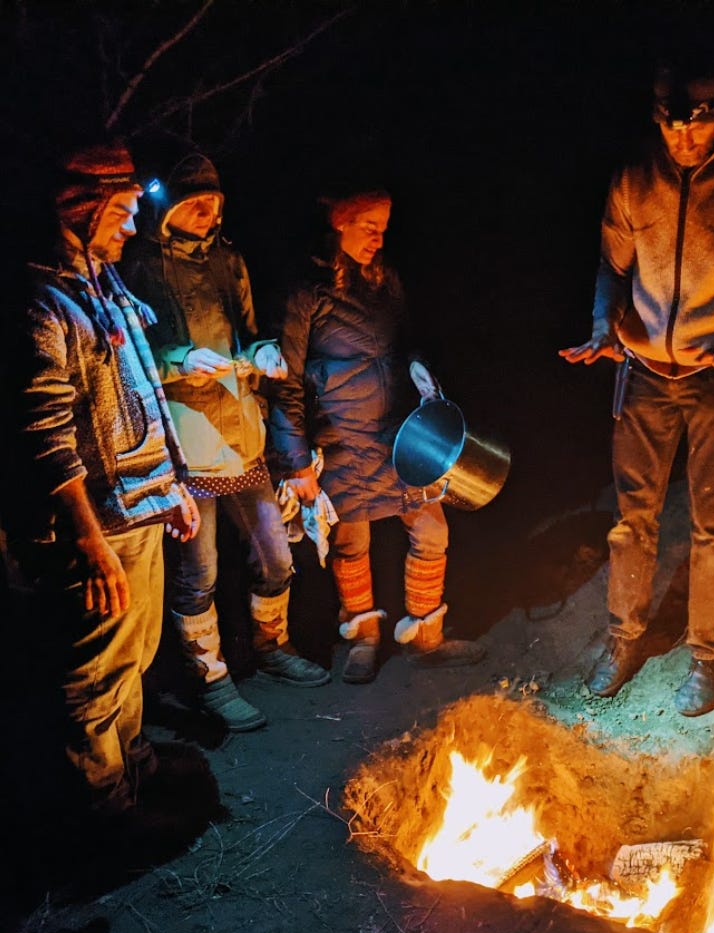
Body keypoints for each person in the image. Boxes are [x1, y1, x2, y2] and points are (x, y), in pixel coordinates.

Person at [560, 57, 714, 716]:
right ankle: (623, 638)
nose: (682, 138)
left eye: (694, 126)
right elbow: (612, 266)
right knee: (631, 519)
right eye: (670, 126)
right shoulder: (635, 178)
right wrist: (602, 326)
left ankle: (709, 653)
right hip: (642, 373)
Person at [2, 139, 201, 824]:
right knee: (93, 671)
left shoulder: (102, 286)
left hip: (135, 508)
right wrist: (87, 540)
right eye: (120, 213)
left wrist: (171, 485)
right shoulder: (42, 303)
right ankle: (103, 810)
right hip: (93, 527)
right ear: (81, 211)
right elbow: (45, 434)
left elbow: (140, 394)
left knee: (134, 654)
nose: (131, 228)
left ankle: (134, 764)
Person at [121, 152, 329, 733]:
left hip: (241, 435)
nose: (207, 213)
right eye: (195, 203)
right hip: (188, 446)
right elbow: (133, 358)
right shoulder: (142, 267)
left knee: (276, 555)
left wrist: (263, 353)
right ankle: (210, 677)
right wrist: (181, 359)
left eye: (213, 202)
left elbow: (247, 330)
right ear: (169, 210)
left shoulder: (228, 260)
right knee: (201, 571)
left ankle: (272, 645)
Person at [268, 187, 485, 684]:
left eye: (384, 229)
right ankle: (362, 636)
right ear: (340, 223)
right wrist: (295, 460)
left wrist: (421, 371)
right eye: (369, 227)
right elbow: (286, 382)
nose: (378, 239)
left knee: (431, 531)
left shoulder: (385, 281)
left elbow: (408, 343)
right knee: (351, 543)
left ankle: (427, 637)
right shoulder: (308, 292)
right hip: (341, 438)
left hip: (398, 433)